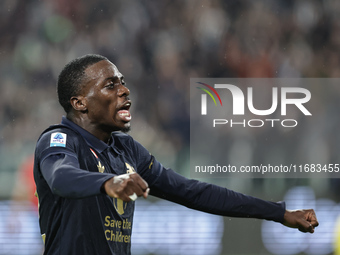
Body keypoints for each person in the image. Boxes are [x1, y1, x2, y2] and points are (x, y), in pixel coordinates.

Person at [33, 54, 318, 255]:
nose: (124, 90)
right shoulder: (59, 139)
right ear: (79, 103)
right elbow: (61, 177)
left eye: (122, 81)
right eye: (110, 85)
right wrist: (108, 183)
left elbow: (191, 191)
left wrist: (278, 212)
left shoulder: (125, 149)